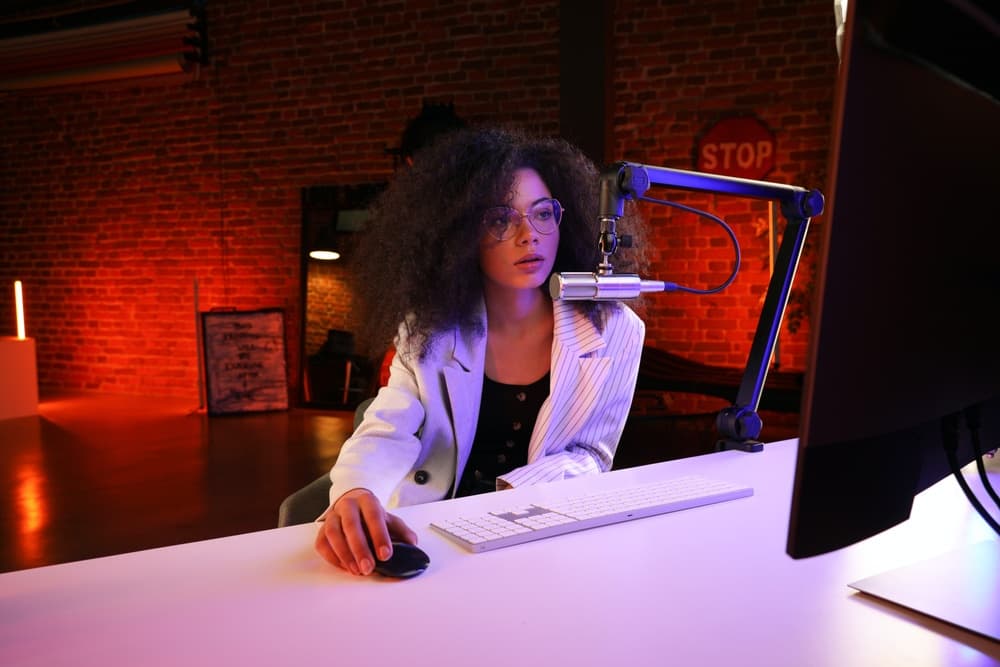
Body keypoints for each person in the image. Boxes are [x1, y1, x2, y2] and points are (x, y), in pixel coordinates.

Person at [315, 126, 648, 576]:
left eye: (543, 214)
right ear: (460, 236)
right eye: (499, 220)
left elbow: (591, 455)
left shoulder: (615, 329)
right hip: (432, 532)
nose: (528, 236)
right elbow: (386, 427)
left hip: (538, 530)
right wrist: (356, 491)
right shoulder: (428, 328)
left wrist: (514, 494)